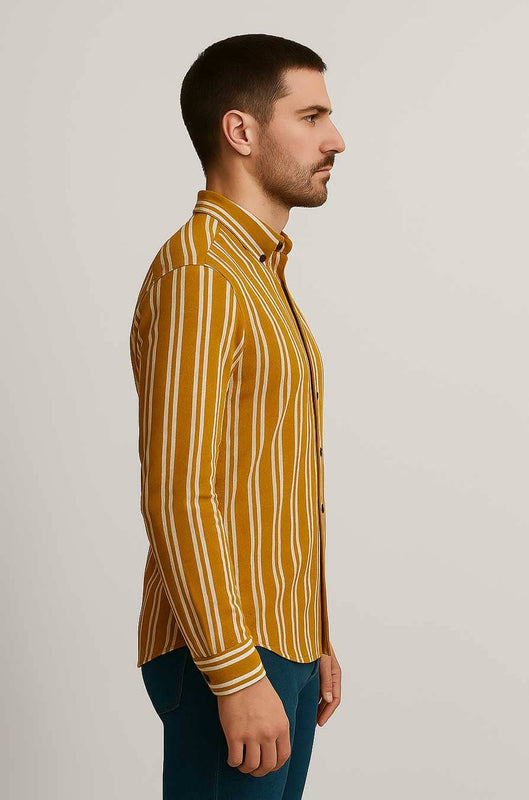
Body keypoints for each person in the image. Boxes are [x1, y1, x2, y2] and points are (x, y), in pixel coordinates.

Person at [129, 32, 345, 799]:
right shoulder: (202, 275)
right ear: (241, 131)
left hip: (278, 645)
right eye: (311, 116)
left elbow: (268, 476)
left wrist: (310, 636)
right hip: (225, 652)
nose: (335, 139)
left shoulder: (257, 273)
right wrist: (233, 672)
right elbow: (179, 493)